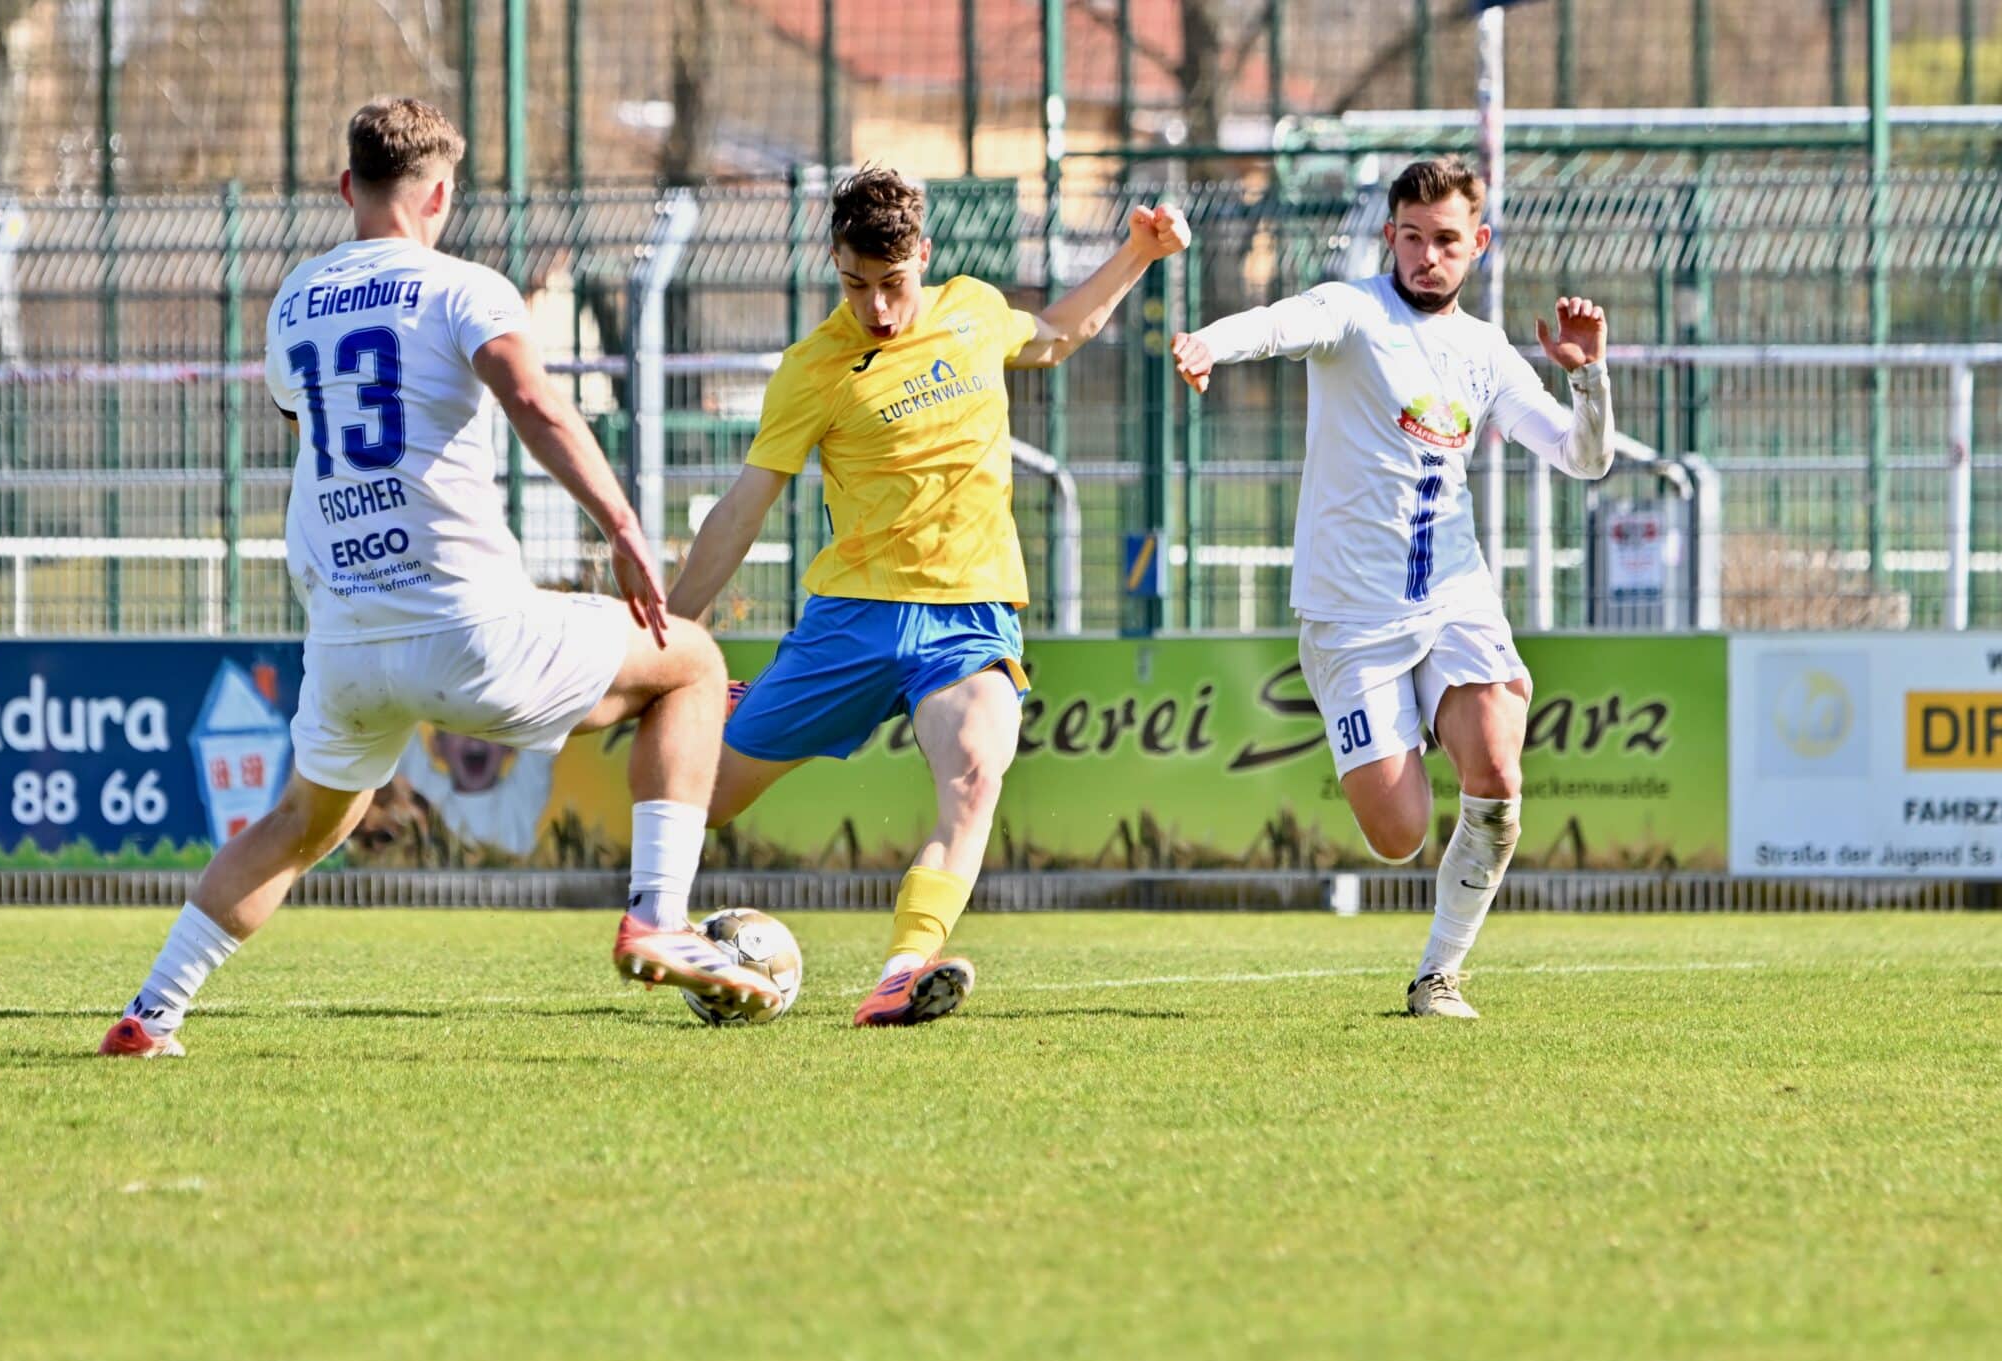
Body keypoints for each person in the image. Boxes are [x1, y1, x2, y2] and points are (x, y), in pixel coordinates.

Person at [100, 97, 775, 1057]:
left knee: (301, 822)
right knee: (694, 664)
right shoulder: (464, 288)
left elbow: (311, 430)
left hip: (345, 641)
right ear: (444, 192)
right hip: (467, 627)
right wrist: (621, 521)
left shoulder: (295, 299)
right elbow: (534, 400)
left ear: (347, 188)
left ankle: (151, 1011)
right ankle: (657, 917)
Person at [667, 167, 1191, 1027]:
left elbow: (1056, 334)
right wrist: (672, 626)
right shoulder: (813, 370)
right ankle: (730, 720)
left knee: (979, 769)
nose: (875, 307)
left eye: (893, 284)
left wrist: (1137, 252)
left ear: (926, 255)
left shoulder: (974, 310)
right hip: (854, 619)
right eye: (854, 285)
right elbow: (742, 508)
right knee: (706, 798)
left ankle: (905, 969)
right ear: (835, 263)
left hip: (968, 615)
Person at [1169, 155, 1615, 1019]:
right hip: (1350, 619)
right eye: (1411, 237)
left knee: (1496, 773)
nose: (1427, 256)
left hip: (1455, 599)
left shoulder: (1485, 351)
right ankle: (1408, 736)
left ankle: (1438, 973)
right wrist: (1208, 344)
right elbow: (1277, 322)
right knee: (1398, 833)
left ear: (1478, 244)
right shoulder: (1354, 312)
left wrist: (1587, 377)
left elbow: (1582, 457)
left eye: (1446, 240)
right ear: (1390, 237)